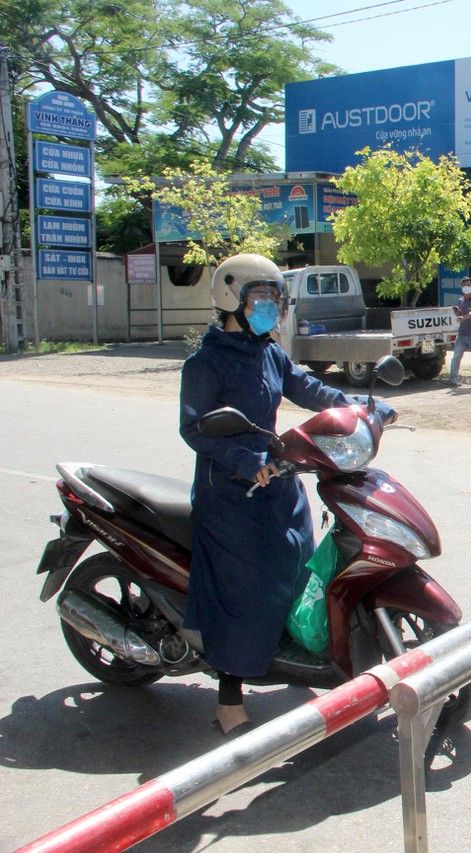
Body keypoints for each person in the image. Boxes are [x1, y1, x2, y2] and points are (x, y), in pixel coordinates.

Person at [179, 253, 394, 736]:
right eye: (261, 298)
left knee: (300, 564)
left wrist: (362, 407)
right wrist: (246, 463)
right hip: (232, 493)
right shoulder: (206, 362)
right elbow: (195, 429)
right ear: (230, 299)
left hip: (278, 478)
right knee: (246, 590)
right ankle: (229, 698)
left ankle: (287, 655)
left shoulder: (268, 352)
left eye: (277, 299)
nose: (271, 309)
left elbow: (307, 387)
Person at [448, 275, 471, 387]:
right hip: (462, 334)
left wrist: (462, 317)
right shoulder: (460, 300)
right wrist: (457, 311)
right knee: (456, 357)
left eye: (468, 285)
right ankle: (453, 380)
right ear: (461, 287)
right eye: (464, 285)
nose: (466, 287)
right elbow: (460, 314)